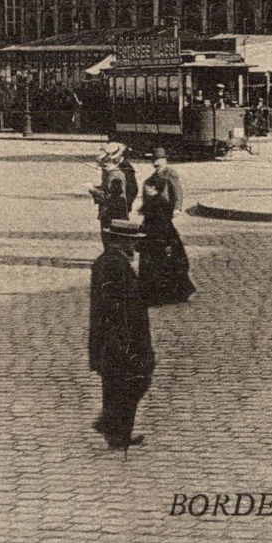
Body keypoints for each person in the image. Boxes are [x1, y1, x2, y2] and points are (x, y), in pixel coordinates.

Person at [89, 220, 154, 450]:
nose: (136, 246)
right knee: (130, 380)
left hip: (118, 336)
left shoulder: (112, 262)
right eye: (133, 241)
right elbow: (114, 306)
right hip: (120, 337)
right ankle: (111, 426)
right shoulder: (112, 265)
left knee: (119, 384)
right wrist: (122, 340)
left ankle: (117, 432)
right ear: (122, 240)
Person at [138, 149, 195, 306]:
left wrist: (177, 208)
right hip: (155, 216)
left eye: (159, 160)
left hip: (163, 214)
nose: (156, 163)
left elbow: (177, 192)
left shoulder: (170, 174)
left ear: (164, 159)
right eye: (154, 160)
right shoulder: (153, 177)